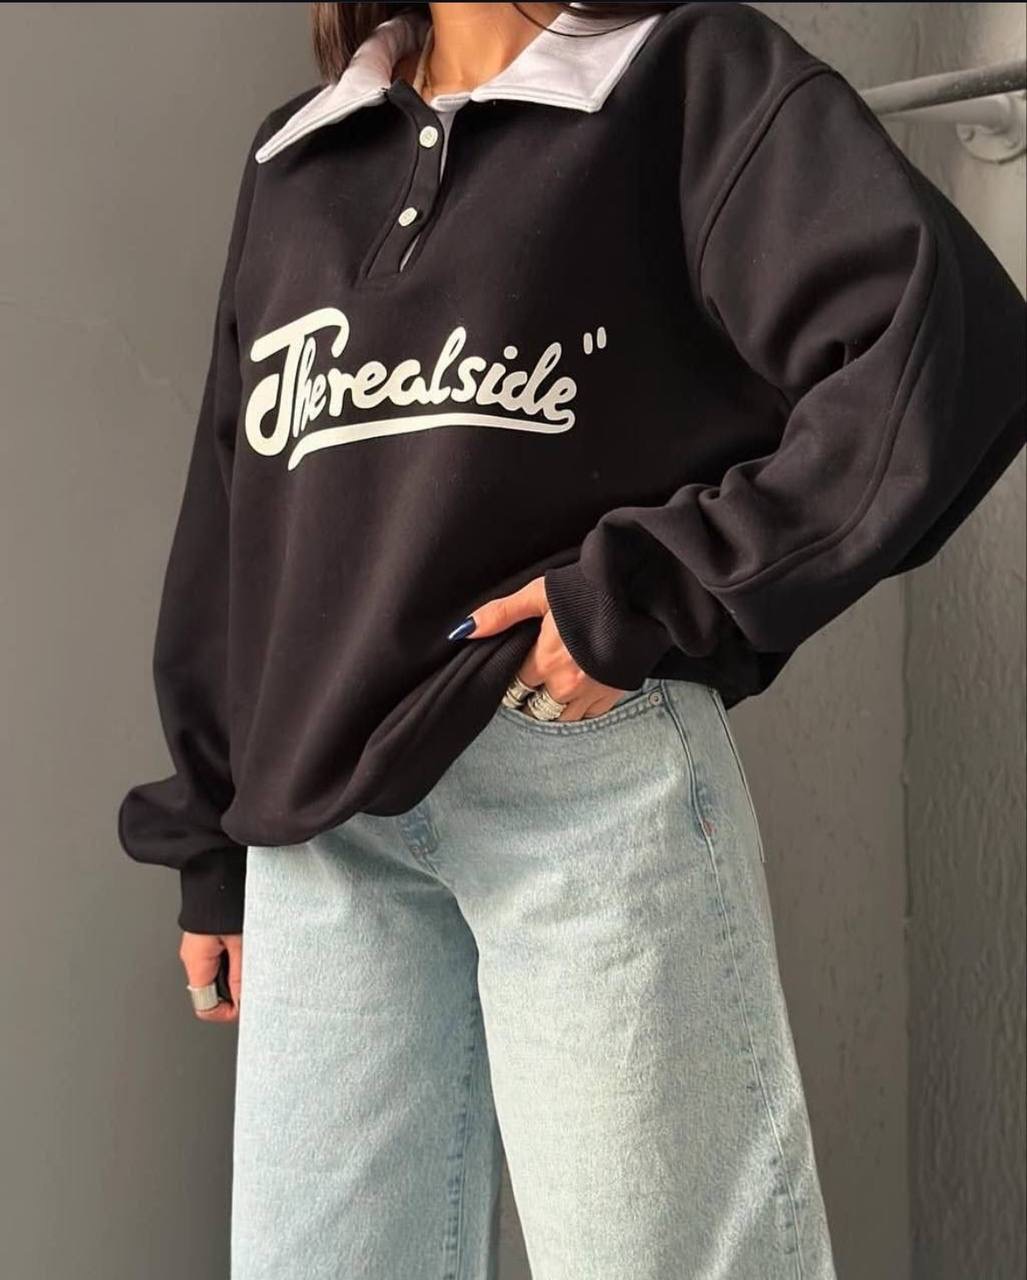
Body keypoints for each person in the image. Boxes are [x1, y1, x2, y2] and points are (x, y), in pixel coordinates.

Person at [117, 2, 1026, 1276]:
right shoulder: (300, 155)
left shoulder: (685, 80)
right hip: (323, 836)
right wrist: (210, 834)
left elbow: (943, 345)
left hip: (576, 792)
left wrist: (656, 590)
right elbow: (236, 518)